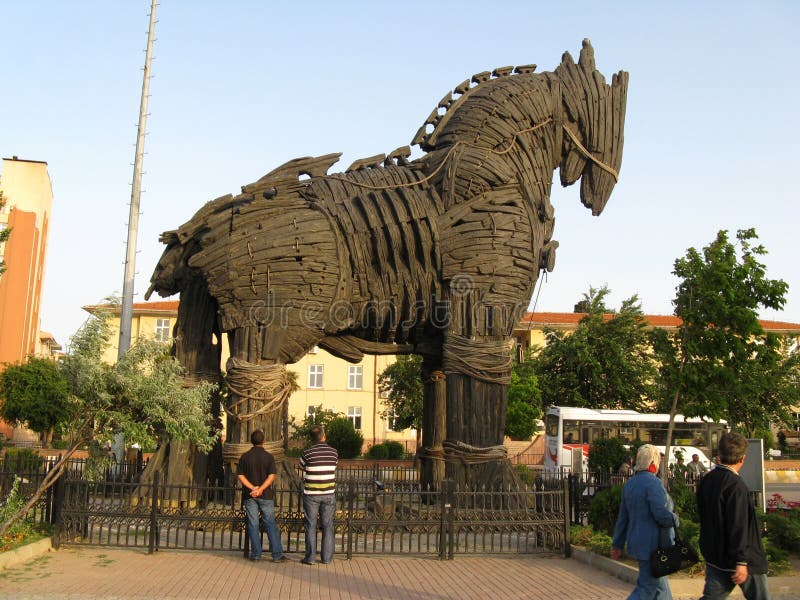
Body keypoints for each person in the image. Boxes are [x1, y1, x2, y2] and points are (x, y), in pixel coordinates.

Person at [697, 432, 769, 599]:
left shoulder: (707, 480)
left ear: (719, 454)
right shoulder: (736, 486)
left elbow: (704, 518)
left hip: (716, 556)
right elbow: (739, 525)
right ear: (743, 458)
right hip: (743, 558)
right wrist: (741, 561)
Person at [611, 444, 679, 599]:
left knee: (661, 590)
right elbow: (661, 514)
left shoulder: (630, 484)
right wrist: (675, 519)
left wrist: (617, 544)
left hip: (638, 544)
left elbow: (623, 518)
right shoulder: (653, 483)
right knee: (648, 589)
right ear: (653, 464)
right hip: (654, 546)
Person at [237, 430, 288, 562]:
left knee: (253, 524)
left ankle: (256, 554)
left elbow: (240, 475)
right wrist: (261, 489)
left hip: (250, 495)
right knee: (270, 523)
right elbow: (271, 476)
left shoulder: (245, 456)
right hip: (265, 495)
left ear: (251, 441)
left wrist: (252, 488)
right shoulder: (269, 457)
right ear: (264, 441)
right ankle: (276, 554)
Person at [299, 424, 338, 565]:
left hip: (311, 494)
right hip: (328, 492)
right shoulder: (334, 452)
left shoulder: (307, 453)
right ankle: (327, 558)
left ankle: (310, 557)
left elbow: (301, 466)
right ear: (324, 436)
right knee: (328, 525)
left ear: (311, 438)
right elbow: (334, 466)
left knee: (311, 525)